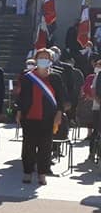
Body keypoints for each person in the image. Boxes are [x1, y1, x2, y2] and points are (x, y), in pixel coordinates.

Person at [17, 49, 65, 184]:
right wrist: (19, 112)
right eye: (40, 57)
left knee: (45, 147)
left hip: (48, 117)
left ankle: (42, 173)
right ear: (36, 59)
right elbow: (21, 97)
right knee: (28, 146)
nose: (43, 60)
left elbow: (60, 99)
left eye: (46, 57)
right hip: (29, 116)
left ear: (50, 60)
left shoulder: (55, 77)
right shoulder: (27, 77)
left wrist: (59, 114)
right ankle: (27, 172)